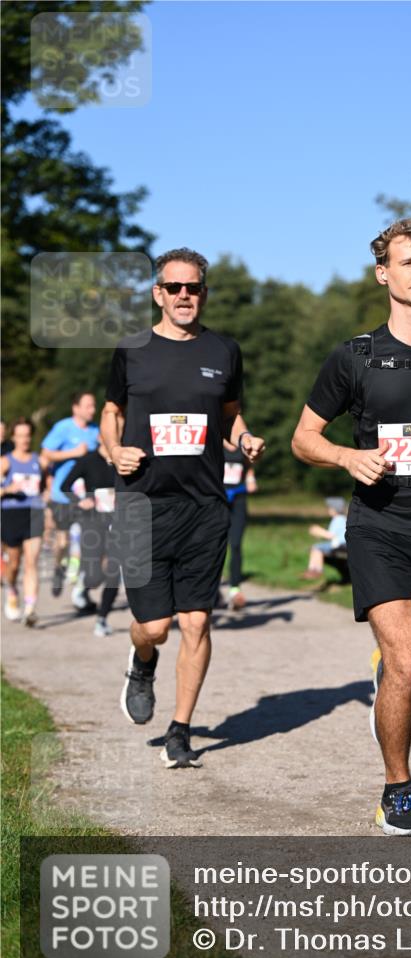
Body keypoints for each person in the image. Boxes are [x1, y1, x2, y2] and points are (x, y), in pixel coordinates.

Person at [292, 219, 411, 836]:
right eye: (409, 262)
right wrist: (348, 457)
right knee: (404, 659)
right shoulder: (356, 356)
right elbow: (304, 438)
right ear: (383, 274)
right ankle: (399, 790)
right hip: (380, 528)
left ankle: (396, 681)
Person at [101, 247, 265, 769]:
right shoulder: (131, 350)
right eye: (174, 288)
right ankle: (142, 660)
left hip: (204, 506)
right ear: (158, 294)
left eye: (193, 287)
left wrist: (244, 438)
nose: (184, 296)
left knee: (196, 622)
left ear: (203, 293)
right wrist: (114, 450)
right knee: (155, 627)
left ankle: (181, 729)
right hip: (140, 505)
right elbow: (111, 412)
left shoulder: (224, 350)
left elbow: (231, 415)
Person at [40, 393, 99, 598]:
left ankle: (82, 592)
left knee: (89, 544)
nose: (92, 409)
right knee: (63, 542)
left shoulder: (95, 431)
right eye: (88, 406)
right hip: (62, 494)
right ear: (76, 408)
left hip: (86, 498)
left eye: (93, 406)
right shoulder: (63, 427)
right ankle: (59, 567)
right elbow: (46, 454)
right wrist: (73, 453)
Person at [61, 437, 121, 636]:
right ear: (100, 436)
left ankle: (102, 618)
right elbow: (65, 486)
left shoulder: (122, 458)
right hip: (92, 522)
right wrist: (80, 501)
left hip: (118, 521)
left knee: (114, 572)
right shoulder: (88, 460)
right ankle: (84, 585)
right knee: (95, 575)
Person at [1, 418, 49, 625]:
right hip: (11, 514)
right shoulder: (5, 461)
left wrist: (45, 497)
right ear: (14, 438)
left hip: (34, 511)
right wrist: (8, 489)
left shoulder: (39, 461)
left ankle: (30, 609)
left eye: (27, 436)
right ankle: (11, 589)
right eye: (20, 436)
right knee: (14, 563)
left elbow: (47, 485)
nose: (24, 440)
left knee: (32, 562)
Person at [221, 437, 258, 610]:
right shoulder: (213, 439)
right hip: (217, 499)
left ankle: (235, 590)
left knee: (235, 544)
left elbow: (249, 463)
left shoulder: (243, 441)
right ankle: (212, 591)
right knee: (215, 546)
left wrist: (250, 477)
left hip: (238, 499)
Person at [300, 496, 347, 581]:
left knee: (317, 548)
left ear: (334, 509)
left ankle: (316, 570)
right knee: (316, 548)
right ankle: (313, 569)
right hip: (339, 544)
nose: (328, 510)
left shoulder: (338, 519)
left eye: (330, 508)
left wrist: (319, 531)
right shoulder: (340, 519)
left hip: (340, 545)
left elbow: (331, 535)